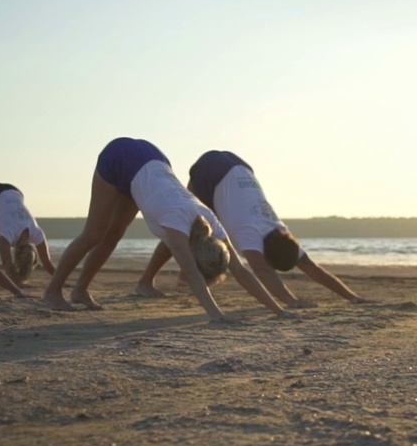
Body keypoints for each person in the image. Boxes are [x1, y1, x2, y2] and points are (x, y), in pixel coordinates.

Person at [41, 138, 297, 322]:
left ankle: (80, 290)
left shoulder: (210, 222)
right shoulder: (177, 226)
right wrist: (218, 316)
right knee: (94, 234)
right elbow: (193, 275)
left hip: (153, 161)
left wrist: (279, 310)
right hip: (121, 156)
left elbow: (242, 272)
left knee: (114, 235)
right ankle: (52, 291)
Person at [137, 150, 364, 307]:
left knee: (194, 229)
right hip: (211, 170)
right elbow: (263, 271)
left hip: (240, 168)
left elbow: (313, 268)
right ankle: (147, 281)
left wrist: (351, 296)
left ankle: (183, 279)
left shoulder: (281, 231)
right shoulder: (250, 233)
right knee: (183, 224)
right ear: (266, 255)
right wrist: (291, 301)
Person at [0, 182, 56, 284]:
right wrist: (18, 282)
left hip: (15, 192)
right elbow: (7, 265)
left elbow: (47, 264)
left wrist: (61, 282)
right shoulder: (8, 233)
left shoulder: (37, 232)